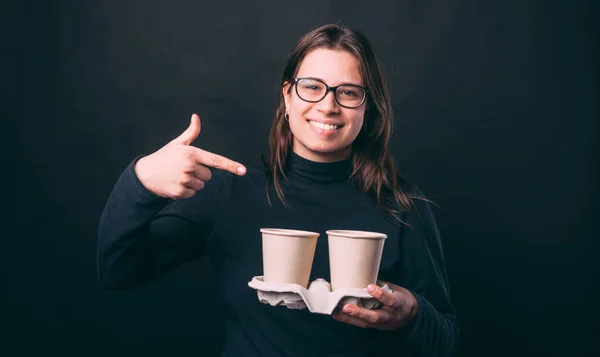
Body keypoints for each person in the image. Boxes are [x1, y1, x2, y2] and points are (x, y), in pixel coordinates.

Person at [97, 23, 458, 356]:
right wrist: (140, 181)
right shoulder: (229, 195)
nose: (328, 105)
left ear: (368, 108)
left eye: (348, 92)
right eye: (312, 87)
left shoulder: (401, 206)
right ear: (288, 96)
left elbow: (446, 338)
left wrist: (412, 313)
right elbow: (118, 271)